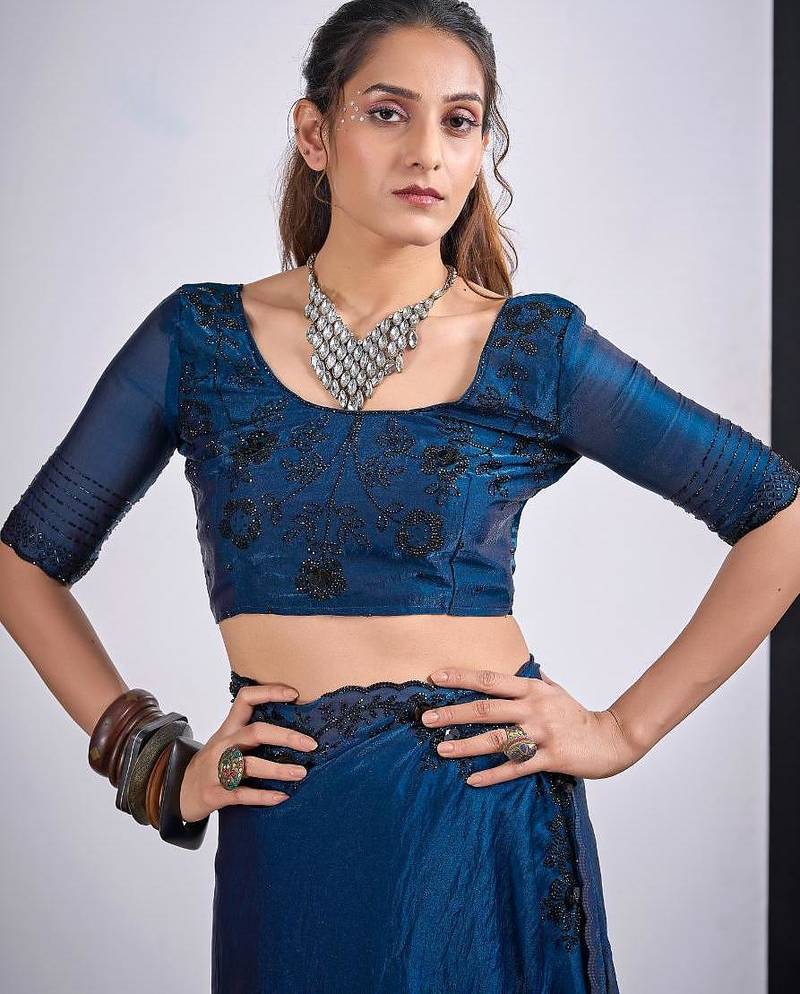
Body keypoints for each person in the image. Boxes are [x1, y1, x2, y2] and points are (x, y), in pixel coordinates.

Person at [1, 3, 798, 992]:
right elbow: (25, 564)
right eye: (387, 112)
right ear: (314, 134)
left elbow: (778, 516)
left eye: (459, 121)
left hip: (477, 816)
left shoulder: (532, 351)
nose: (427, 150)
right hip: (287, 828)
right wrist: (155, 766)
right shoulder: (198, 339)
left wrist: (620, 730)